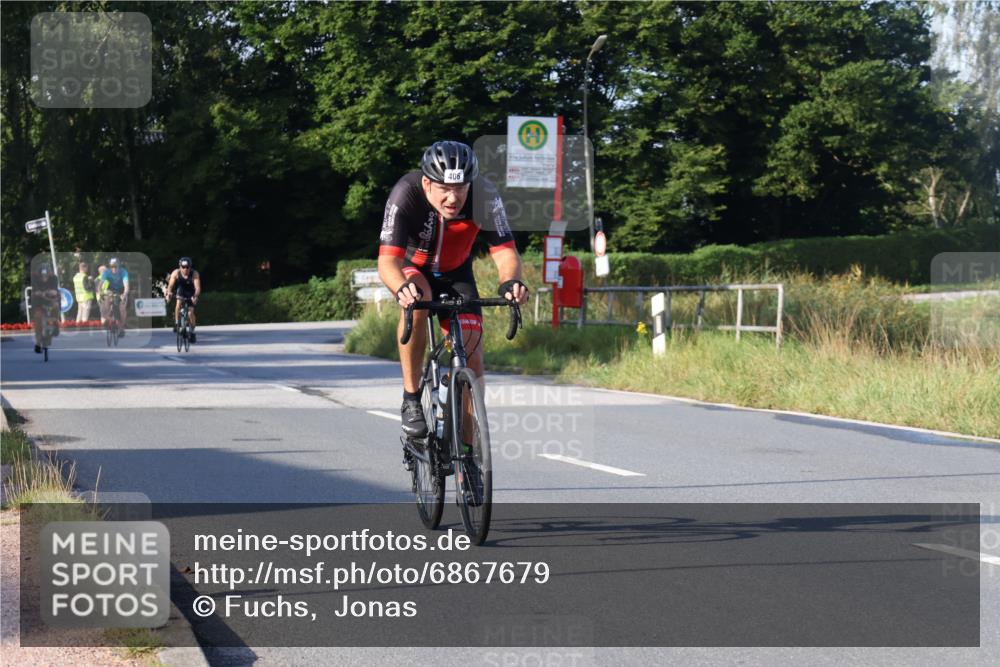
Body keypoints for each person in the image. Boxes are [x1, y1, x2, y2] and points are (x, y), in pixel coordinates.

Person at [377, 140, 529, 439]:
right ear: (426, 183)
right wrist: (401, 289)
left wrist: (511, 281)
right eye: (444, 188)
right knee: (418, 299)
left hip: (457, 274)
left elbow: (506, 253)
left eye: (460, 188)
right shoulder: (405, 193)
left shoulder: (484, 196)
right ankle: (411, 398)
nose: (452, 197)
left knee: (473, 356)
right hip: (413, 270)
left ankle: (470, 459)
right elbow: (387, 263)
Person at [165, 257, 201, 343]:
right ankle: (177, 323)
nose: (185, 269)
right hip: (181, 289)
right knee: (178, 304)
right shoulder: (176, 273)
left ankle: (192, 332)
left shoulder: (194, 273)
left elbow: (197, 288)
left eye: (187, 267)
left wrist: (195, 296)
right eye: (183, 267)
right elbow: (170, 286)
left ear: (190, 267)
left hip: (191, 291)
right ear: (180, 266)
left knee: (190, 312)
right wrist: (169, 293)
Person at [31, 264, 60, 353]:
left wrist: (52, 292)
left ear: (49, 274)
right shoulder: (34, 279)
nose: (44, 278)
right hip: (38, 300)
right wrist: (36, 293)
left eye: (46, 276)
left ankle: (55, 323)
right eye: (42, 276)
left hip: (50, 298)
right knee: (38, 317)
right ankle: (38, 343)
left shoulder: (54, 278)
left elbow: (55, 289)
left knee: (56, 305)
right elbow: (32, 290)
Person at [97, 257, 129, 334]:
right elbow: (100, 284)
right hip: (110, 289)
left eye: (115, 266)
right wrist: (100, 292)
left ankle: (121, 327)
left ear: (119, 266)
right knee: (106, 305)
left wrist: (124, 294)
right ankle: (108, 319)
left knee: (122, 309)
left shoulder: (123, 272)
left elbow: (126, 287)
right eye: (112, 267)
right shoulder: (107, 272)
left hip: (121, 290)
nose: (113, 268)